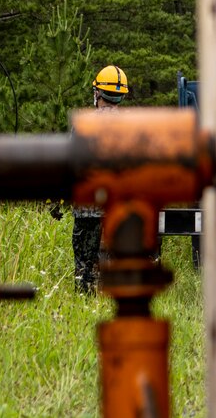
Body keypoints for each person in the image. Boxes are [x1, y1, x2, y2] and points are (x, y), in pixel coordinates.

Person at [72, 64, 131, 290]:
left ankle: (84, 302)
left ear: (97, 93)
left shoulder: (83, 124)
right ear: (121, 96)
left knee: (84, 270)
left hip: (86, 210)